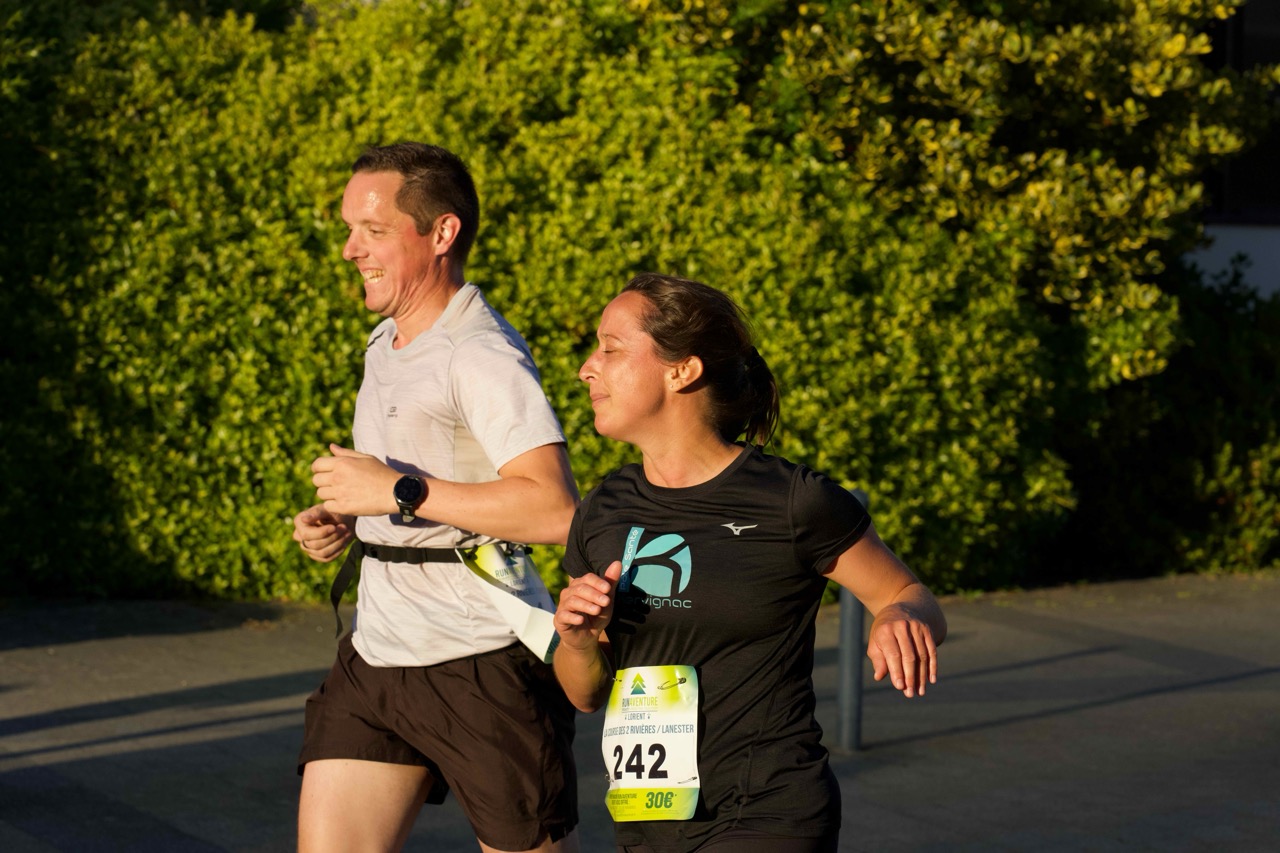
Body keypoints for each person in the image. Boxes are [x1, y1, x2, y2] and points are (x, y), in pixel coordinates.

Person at [553, 273, 947, 853]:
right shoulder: (604, 508)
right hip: (647, 821)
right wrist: (578, 642)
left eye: (610, 349)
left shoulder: (793, 500)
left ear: (682, 371)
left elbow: (908, 595)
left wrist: (899, 616)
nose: (587, 368)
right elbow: (584, 695)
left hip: (768, 812)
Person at [290, 142, 581, 853]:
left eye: (373, 230)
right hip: (376, 653)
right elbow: (413, 491)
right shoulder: (383, 341)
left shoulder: (480, 354)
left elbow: (554, 510)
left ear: (442, 232)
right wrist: (349, 516)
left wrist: (395, 490)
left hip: (479, 660)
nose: (351, 249)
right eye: (350, 229)